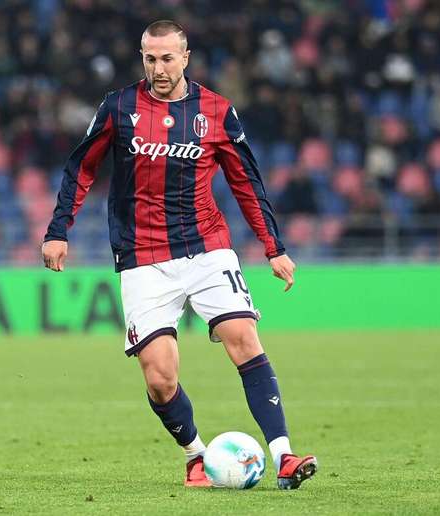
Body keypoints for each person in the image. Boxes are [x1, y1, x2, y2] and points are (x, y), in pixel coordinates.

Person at [42, 20, 317, 490]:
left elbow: (246, 183)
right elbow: (81, 166)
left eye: (167, 58)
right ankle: (195, 455)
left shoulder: (217, 111)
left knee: (243, 337)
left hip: (207, 246)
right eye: (150, 59)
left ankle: (284, 457)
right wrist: (58, 229)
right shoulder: (119, 107)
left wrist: (274, 248)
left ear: (185, 57)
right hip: (142, 255)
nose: (158, 68)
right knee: (161, 378)